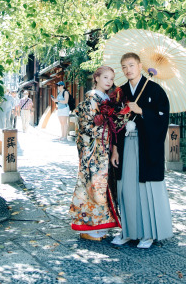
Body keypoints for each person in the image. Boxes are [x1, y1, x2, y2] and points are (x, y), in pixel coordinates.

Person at [110, 52, 173, 248]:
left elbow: (163, 118)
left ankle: (149, 234)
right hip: (125, 144)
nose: (127, 69)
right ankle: (128, 232)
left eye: (131, 65)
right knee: (126, 188)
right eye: (124, 67)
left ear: (139, 66)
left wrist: (142, 111)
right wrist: (114, 149)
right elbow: (113, 123)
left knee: (147, 190)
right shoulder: (120, 92)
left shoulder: (154, 89)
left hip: (146, 146)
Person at [70, 66, 121, 241]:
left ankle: (99, 224)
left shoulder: (107, 99)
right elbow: (85, 126)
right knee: (92, 186)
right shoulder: (92, 98)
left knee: (101, 187)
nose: (109, 81)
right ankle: (88, 226)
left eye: (112, 79)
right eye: (105, 77)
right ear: (97, 78)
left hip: (104, 149)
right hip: (93, 151)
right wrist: (102, 122)